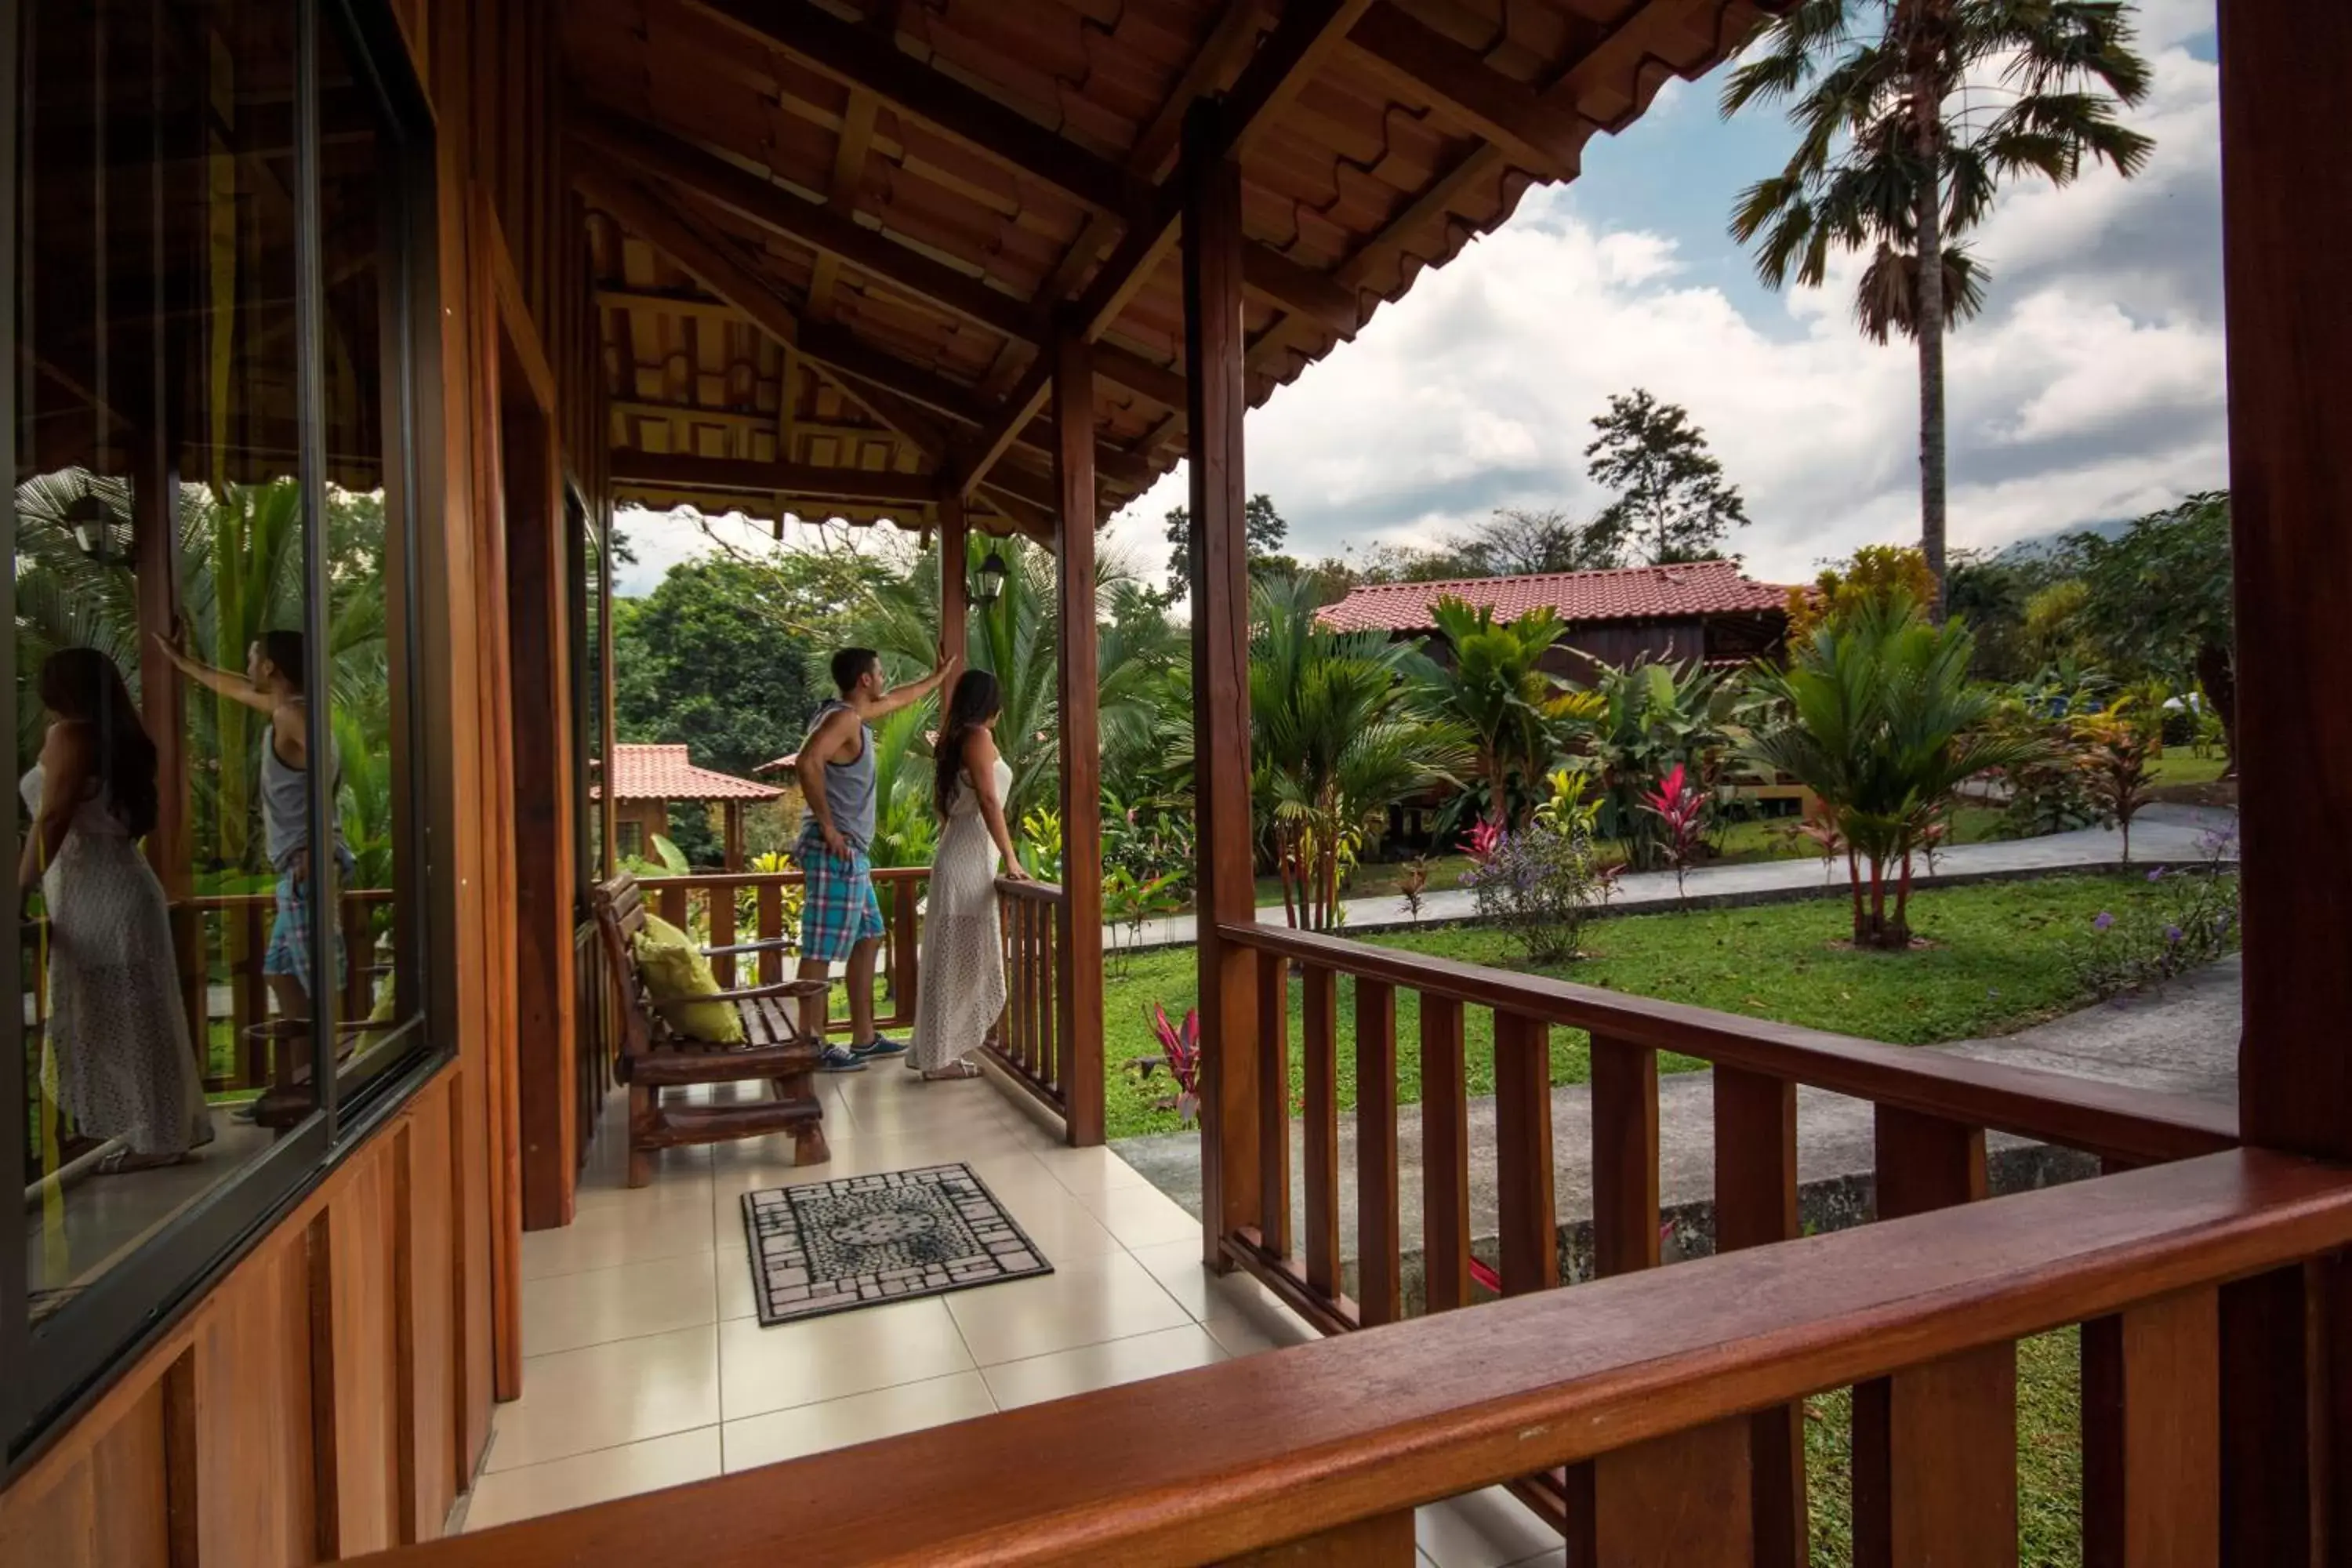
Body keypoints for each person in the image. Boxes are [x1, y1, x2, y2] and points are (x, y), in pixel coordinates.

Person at [19, 649, 212, 1171]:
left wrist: (16, 890)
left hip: (97, 894)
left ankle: (154, 1138)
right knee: (128, 1019)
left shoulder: (71, 736)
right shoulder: (117, 738)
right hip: (119, 888)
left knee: (109, 1020)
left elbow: (54, 817)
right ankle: (151, 1131)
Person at [154, 628, 352, 1040]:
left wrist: (317, 846)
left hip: (306, 861)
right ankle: (304, 1083)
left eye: (251, 658)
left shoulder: (291, 715)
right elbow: (235, 689)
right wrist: (184, 663)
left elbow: (325, 769)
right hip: (300, 863)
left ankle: (336, 1081)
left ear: (269, 666)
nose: (247, 668)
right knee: (280, 973)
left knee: (319, 987)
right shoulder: (288, 709)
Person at [794, 645, 958, 1070]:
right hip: (836, 848)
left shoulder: (851, 715)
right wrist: (829, 827)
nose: (885, 680)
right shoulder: (843, 718)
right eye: (880, 673)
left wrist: (937, 680)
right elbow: (807, 761)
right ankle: (809, 1045)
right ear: (865, 679)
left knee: (868, 935)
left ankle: (864, 1037)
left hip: (851, 852)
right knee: (820, 947)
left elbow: (899, 697)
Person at [910, 670, 1027, 1081]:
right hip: (968, 860)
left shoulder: (957, 738)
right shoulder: (977, 737)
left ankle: (937, 1052)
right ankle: (938, 1057)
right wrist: (1011, 860)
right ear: (989, 701)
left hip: (964, 855)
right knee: (961, 963)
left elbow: (946, 807)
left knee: (957, 962)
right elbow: (990, 801)